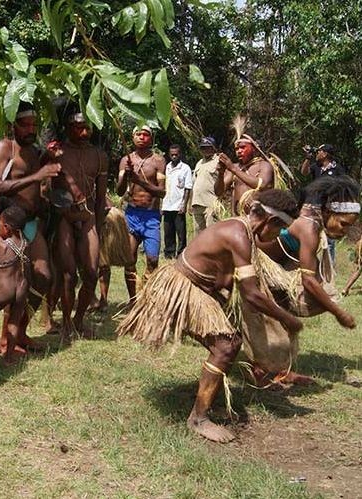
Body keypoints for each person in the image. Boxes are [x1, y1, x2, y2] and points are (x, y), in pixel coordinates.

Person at [117, 189, 303, 443]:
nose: (278, 235)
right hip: (182, 288)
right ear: (271, 221)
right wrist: (287, 318)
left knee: (232, 341)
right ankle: (198, 418)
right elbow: (251, 294)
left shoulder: (241, 230)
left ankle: (234, 387)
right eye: (280, 229)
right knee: (226, 346)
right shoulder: (238, 235)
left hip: (198, 289)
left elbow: (229, 277)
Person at [255, 176, 359, 384]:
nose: (344, 231)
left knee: (283, 315)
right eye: (343, 224)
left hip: (274, 266)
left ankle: (278, 369)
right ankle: (267, 370)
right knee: (275, 316)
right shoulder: (310, 228)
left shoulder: (314, 215)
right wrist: (338, 313)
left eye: (349, 227)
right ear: (328, 212)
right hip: (255, 262)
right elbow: (308, 281)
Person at [0, 102, 60, 351]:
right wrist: (36, 177)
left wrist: (47, 159)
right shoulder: (4, 148)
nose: (30, 129)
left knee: (43, 277)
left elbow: (34, 180)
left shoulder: (33, 150)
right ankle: (6, 338)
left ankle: (20, 331)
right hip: (9, 224)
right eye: (25, 125)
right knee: (15, 284)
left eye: (34, 125)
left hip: (31, 222)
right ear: (13, 125)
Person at [49, 110, 107, 342]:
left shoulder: (99, 156)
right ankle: (66, 323)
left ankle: (79, 320)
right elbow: (47, 185)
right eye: (78, 128)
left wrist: (99, 226)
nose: (84, 133)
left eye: (87, 128)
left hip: (89, 216)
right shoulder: (58, 153)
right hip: (64, 216)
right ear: (68, 128)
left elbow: (101, 197)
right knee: (68, 274)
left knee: (91, 273)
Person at [115, 125, 166, 302]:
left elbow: (161, 192)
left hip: (151, 216)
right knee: (129, 260)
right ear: (133, 137)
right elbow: (119, 191)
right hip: (132, 215)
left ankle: (146, 297)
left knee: (152, 260)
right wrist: (125, 176)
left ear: (151, 138)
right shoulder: (126, 160)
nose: (142, 137)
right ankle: (133, 300)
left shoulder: (158, 161)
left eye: (146, 135)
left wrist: (139, 181)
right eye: (138, 134)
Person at [0, 204, 30, 364]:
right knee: (14, 321)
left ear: (7, 228)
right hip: (21, 287)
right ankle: (9, 357)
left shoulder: (2, 246)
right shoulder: (25, 243)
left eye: (0, 225)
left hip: (6, 290)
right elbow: (7, 243)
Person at [214, 131, 274, 215]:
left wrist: (234, 169)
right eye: (237, 149)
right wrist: (220, 174)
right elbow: (218, 192)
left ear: (254, 148)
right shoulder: (234, 168)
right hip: (238, 218)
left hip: (259, 218)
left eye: (243, 147)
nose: (239, 151)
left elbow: (262, 185)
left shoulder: (264, 165)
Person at [161, 144, 193, 259]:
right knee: (168, 233)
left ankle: (181, 255)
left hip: (178, 205)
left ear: (180, 154)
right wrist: (161, 205)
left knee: (181, 233)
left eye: (176, 154)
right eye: (172, 155)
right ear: (169, 155)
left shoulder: (185, 168)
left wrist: (184, 205)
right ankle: (169, 255)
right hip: (167, 205)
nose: (174, 156)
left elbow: (188, 188)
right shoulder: (166, 168)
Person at [190, 137, 222, 235]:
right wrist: (190, 203)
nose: (205, 150)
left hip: (211, 203)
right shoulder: (199, 163)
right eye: (202, 148)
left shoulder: (218, 161)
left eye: (207, 147)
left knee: (212, 234)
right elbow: (194, 184)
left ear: (213, 148)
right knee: (199, 234)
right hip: (197, 203)